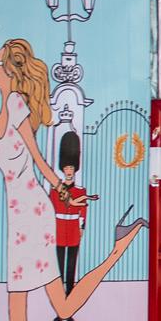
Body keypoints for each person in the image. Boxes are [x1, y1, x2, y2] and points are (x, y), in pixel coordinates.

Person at [0, 37, 148, 321]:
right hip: (19, 220)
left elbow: (40, 161)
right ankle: (119, 246)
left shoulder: (16, 107)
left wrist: (66, 194)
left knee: (21, 318)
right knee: (57, 304)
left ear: (9, 70)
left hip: (32, 215)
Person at [49, 129, 95, 306]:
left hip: (73, 229)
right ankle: (60, 297)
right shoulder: (55, 191)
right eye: (67, 168)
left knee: (71, 267)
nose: (69, 171)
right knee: (59, 265)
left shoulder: (80, 191)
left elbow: (83, 210)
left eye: (71, 168)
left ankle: (70, 297)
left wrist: (81, 227)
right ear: (63, 168)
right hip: (59, 229)